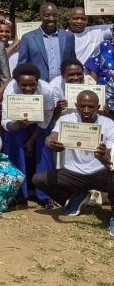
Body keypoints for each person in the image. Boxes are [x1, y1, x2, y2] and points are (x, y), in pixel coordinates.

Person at [33, 90, 114, 230]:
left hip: (100, 173)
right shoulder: (66, 120)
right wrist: (52, 143)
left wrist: (103, 156)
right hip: (73, 174)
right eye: (82, 106)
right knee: (38, 180)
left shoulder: (107, 124)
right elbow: (50, 138)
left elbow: (111, 155)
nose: (86, 110)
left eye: (91, 106)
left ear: (98, 107)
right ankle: (76, 197)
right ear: (76, 105)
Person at [1, 63, 57, 206]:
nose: (28, 88)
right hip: (17, 125)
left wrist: (31, 141)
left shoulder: (46, 91)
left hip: (39, 126)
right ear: (17, 83)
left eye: (32, 85)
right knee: (15, 149)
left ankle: (45, 195)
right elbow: (5, 121)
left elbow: (47, 117)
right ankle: (18, 193)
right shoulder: (10, 90)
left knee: (44, 149)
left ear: (38, 82)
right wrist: (17, 125)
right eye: (23, 85)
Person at [18, 2, 75, 83]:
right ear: (40, 16)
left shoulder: (68, 37)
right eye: (47, 15)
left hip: (62, 85)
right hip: (38, 84)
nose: (51, 19)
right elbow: (22, 66)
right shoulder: (28, 38)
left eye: (55, 15)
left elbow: (73, 63)